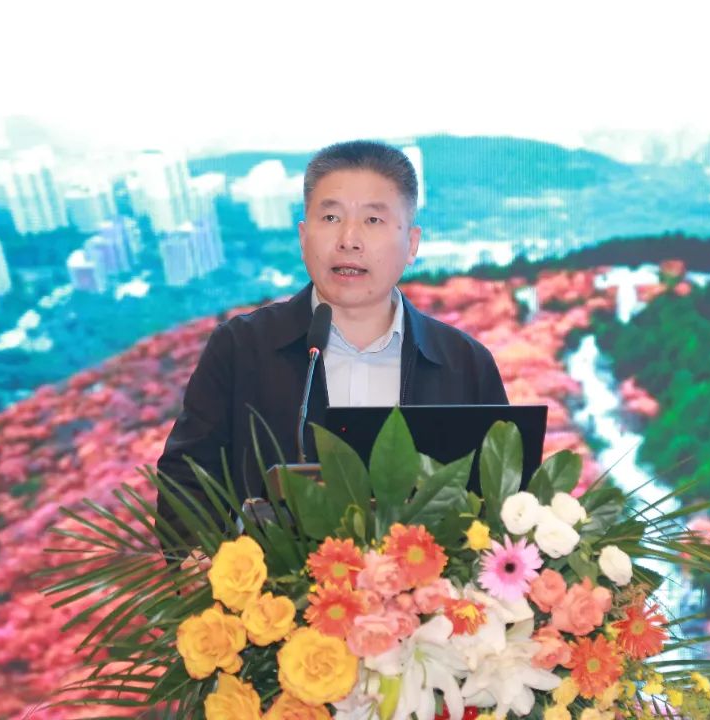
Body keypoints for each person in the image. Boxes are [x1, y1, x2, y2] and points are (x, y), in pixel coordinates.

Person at [156, 140, 507, 546]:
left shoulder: (465, 363)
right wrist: (208, 564)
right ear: (304, 237)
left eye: (373, 220)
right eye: (330, 217)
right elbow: (185, 486)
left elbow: (502, 498)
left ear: (412, 243)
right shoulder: (241, 349)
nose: (349, 239)